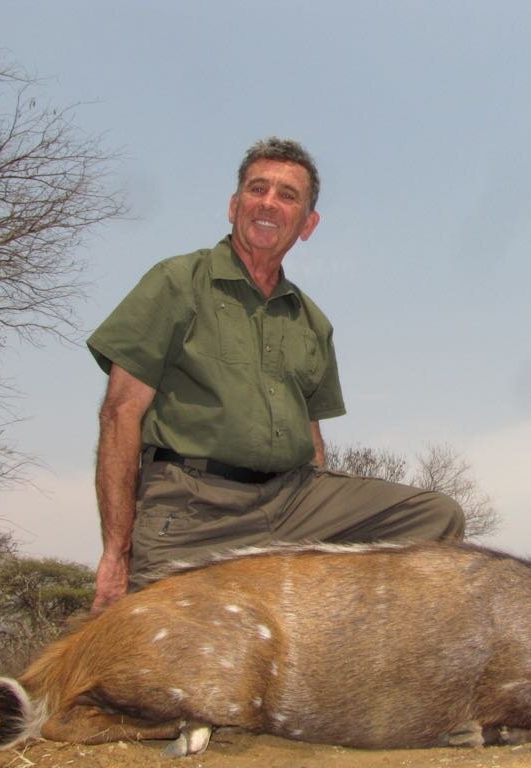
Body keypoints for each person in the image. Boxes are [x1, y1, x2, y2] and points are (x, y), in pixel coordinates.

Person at [87, 137, 464, 611]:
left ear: (308, 224)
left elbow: (312, 437)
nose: (268, 202)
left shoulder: (311, 320)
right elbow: (119, 414)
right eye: (257, 188)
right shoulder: (175, 282)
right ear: (233, 205)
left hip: (292, 500)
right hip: (192, 507)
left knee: (436, 517)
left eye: (287, 195)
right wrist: (115, 555)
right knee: (167, 659)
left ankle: (347, 646)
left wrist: (319, 528)